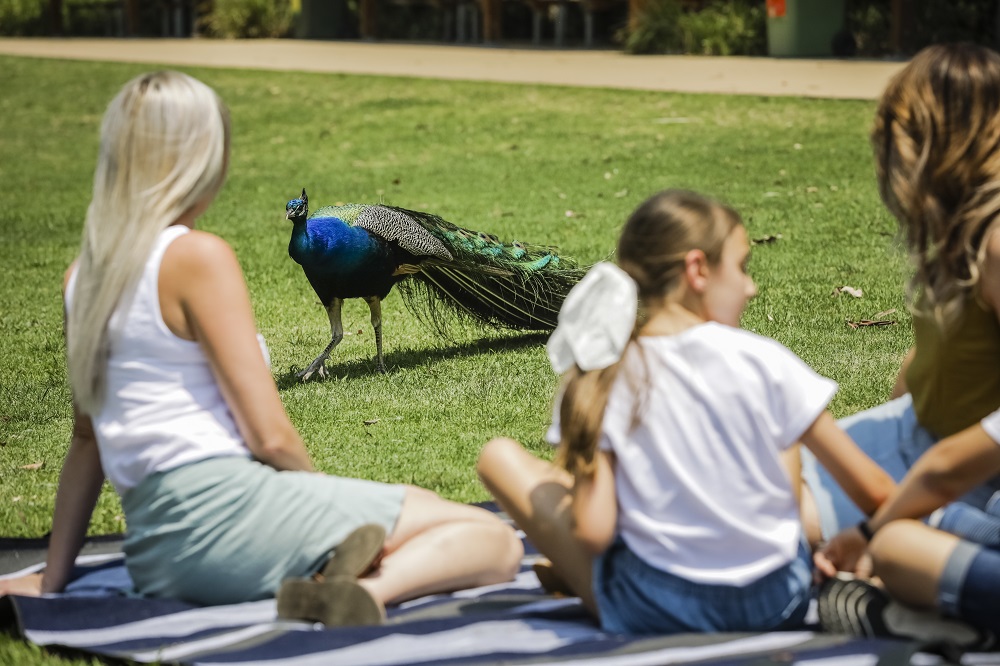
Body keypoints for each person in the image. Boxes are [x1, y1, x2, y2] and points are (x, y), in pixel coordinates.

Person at [0, 71, 522, 626]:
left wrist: (53, 577)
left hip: (156, 556)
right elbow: (269, 435)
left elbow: (85, 441)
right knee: (490, 538)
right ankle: (367, 592)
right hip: (233, 515)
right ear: (208, 163)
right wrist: (325, 503)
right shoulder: (198, 258)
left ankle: (328, 574)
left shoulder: (81, 277)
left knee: (415, 522)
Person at [477, 189, 896, 635]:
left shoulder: (605, 377)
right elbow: (876, 492)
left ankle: (578, 573)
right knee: (781, 431)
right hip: (778, 600)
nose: (751, 286)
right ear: (697, 269)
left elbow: (594, 531)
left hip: (653, 610)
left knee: (500, 456)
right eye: (742, 267)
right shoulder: (765, 360)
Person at [811, 43, 1000, 642]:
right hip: (922, 436)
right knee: (758, 479)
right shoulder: (960, 232)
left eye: (900, 133)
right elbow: (936, 357)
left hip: (969, 465)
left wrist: (882, 519)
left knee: (791, 521)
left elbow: (960, 457)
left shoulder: (996, 244)